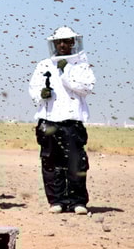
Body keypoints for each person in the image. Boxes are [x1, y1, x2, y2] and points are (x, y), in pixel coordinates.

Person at [29, 26, 95, 215]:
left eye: (66, 41)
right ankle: (56, 201)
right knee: (50, 161)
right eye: (59, 42)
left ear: (73, 43)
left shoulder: (81, 65)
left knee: (76, 162)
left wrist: (65, 72)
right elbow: (33, 88)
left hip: (72, 122)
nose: (63, 45)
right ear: (54, 44)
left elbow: (86, 87)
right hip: (48, 120)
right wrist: (41, 94)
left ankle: (77, 202)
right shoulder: (44, 65)